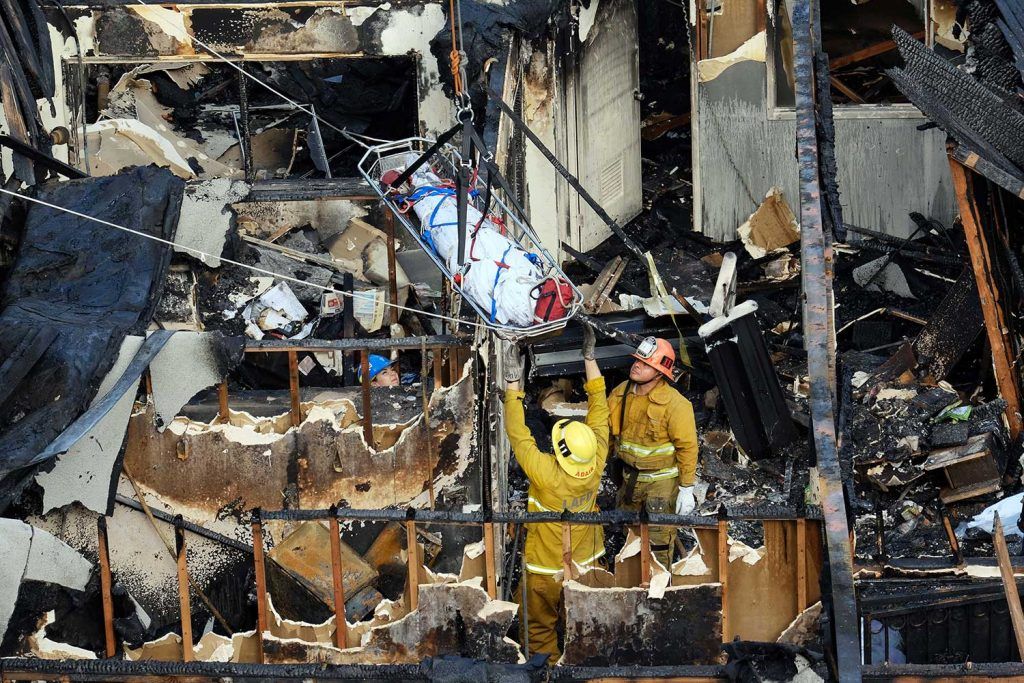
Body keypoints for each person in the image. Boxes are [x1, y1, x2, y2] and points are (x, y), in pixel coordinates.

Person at [503, 326, 609, 659]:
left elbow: (518, 433)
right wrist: (590, 359)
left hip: (545, 568)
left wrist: (512, 383)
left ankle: (546, 671)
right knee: (587, 624)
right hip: (588, 562)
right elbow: (600, 413)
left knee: (539, 629)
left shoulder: (546, 473)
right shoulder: (597, 462)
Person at [607, 337, 699, 554]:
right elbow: (607, 433)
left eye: (646, 363)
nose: (637, 364)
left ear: (660, 373)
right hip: (629, 479)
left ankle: (659, 583)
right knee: (629, 539)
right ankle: (630, 581)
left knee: (657, 543)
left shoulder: (676, 405)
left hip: (661, 485)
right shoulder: (621, 393)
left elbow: (687, 447)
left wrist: (687, 488)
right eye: (638, 360)